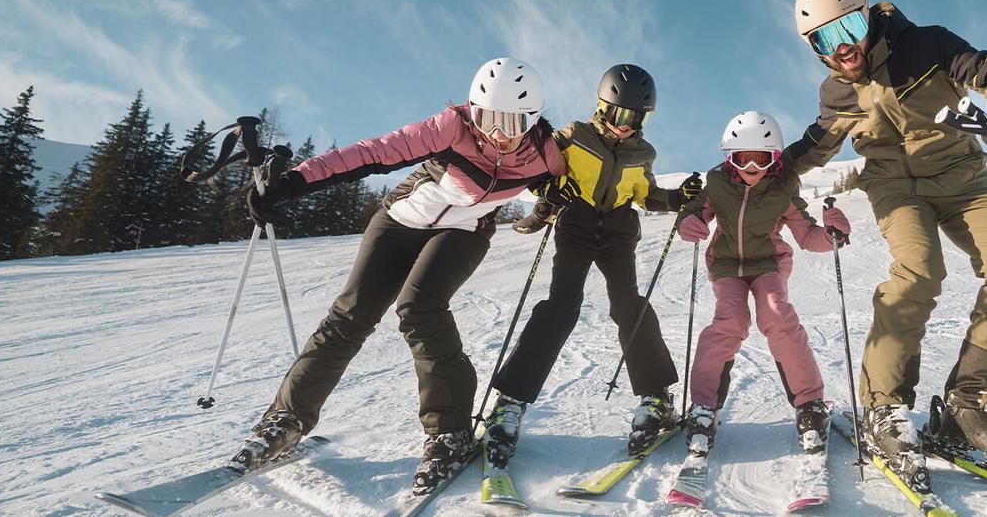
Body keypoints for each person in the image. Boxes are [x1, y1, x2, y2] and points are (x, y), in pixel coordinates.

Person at [228, 57, 566, 496]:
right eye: (489, 117)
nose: (498, 133)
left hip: (464, 231)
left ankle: (450, 432)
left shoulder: (547, 153)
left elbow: (558, 185)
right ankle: (287, 418)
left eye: (512, 122)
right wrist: (294, 182)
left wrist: (548, 204)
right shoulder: (451, 126)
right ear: (472, 108)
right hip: (401, 219)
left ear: (533, 119)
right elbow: (373, 153)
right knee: (351, 313)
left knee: (421, 308)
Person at [781, 0, 987, 481]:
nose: (841, 48)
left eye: (849, 26)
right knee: (920, 270)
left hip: (962, 181)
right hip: (895, 189)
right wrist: (762, 174)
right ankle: (884, 404)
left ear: (869, 17)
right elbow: (815, 144)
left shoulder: (927, 44)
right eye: (823, 39)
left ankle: (971, 403)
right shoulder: (837, 91)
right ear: (812, 48)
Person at [480, 64, 703, 467]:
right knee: (561, 306)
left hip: (619, 229)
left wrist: (676, 198)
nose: (625, 125)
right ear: (601, 107)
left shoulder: (643, 153)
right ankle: (509, 402)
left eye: (635, 117)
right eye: (618, 114)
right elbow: (534, 167)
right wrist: (546, 192)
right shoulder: (572, 137)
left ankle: (655, 399)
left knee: (628, 304)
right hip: (576, 223)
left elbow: (645, 194)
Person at [674, 111, 851, 461]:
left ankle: (809, 403)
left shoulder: (783, 188)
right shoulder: (717, 182)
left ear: (774, 159)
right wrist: (689, 223)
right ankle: (704, 408)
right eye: (742, 158)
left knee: (777, 315)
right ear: (730, 158)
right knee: (730, 321)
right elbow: (694, 213)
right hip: (727, 266)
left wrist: (834, 235)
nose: (751, 167)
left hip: (768, 263)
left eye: (762, 158)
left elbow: (807, 235)